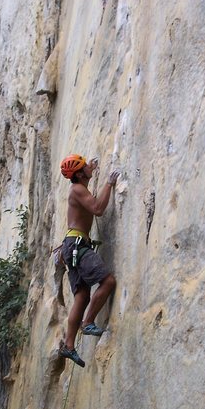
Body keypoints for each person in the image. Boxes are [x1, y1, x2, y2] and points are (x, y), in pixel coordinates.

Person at [59, 154, 120, 367]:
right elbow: (97, 209)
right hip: (77, 245)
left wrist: (91, 169)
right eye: (84, 166)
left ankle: (68, 345)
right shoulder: (77, 190)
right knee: (108, 281)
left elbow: (86, 190)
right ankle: (88, 322)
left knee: (82, 296)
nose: (88, 166)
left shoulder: (78, 187)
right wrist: (109, 184)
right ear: (78, 173)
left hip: (72, 246)